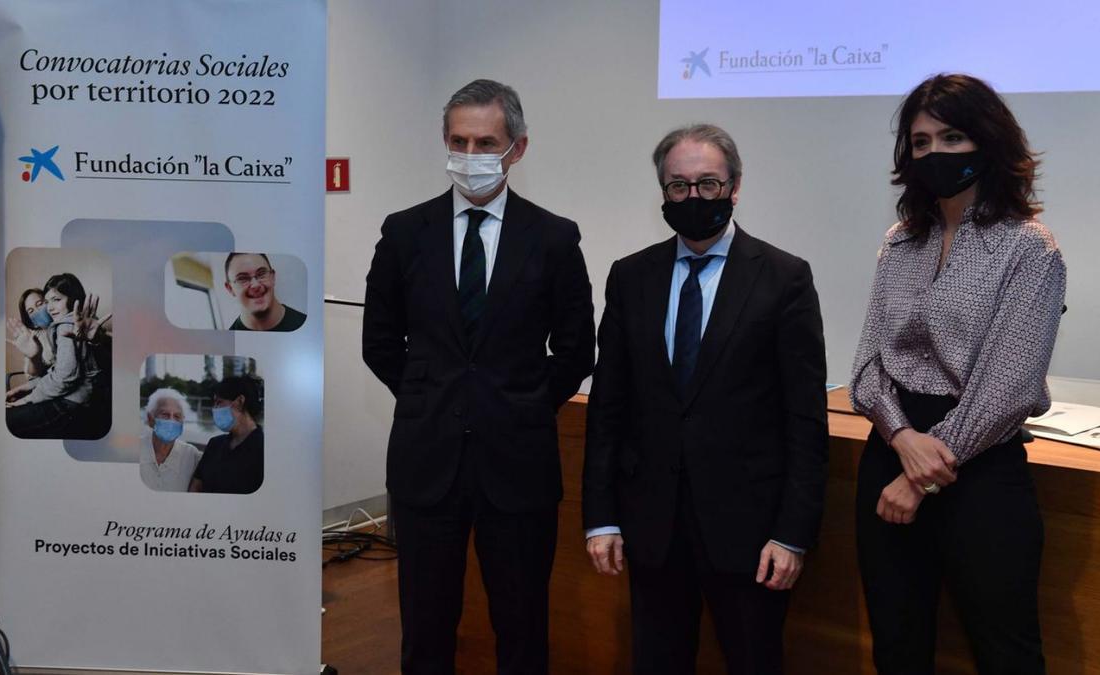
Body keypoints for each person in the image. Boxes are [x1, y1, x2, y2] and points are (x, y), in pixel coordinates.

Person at [362, 78, 594, 675]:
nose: (471, 156)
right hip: (426, 461)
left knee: (521, 628)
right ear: (444, 141)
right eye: (459, 141)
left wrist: (520, 405)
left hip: (517, 466)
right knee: (426, 626)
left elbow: (576, 350)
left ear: (517, 148)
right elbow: (380, 343)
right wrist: (429, 395)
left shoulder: (553, 237)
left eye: (485, 142)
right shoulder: (404, 232)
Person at [582, 123, 828, 674]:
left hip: (750, 535)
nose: (694, 197)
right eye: (679, 186)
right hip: (652, 529)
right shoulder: (630, 276)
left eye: (708, 184)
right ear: (663, 192)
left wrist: (792, 534)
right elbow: (610, 407)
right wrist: (600, 518)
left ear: (735, 188)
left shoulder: (783, 278)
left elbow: (804, 420)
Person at [849, 73, 1066, 674]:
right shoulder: (901, 241)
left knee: (1007, 654)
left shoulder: (1029, 247)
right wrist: (900, 438)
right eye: (920, 143)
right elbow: (867, 367)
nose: (935, 154)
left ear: (987, 142)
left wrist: (921, 476)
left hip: (980, 469)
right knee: (897, 648)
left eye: (952, 137)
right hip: (891, 450)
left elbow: (1011, 389)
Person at [5, 273, 111, 439]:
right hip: (63, 394)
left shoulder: (67, 325)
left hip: (73, 402)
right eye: (31, 311)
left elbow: (65, 376)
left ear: (72, 300)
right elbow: (57, 372)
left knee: (9, 421)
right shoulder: (39, 335)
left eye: (42, 303)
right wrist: (28, 379)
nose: (48, 308)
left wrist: (27, 399)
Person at [189, 375, 264, 494]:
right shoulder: (215, 444)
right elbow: (196, 486)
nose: (215, 409)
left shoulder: (263, 449)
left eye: (219, 402)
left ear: (240, 401)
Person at [224, 252, 307, 331]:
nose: (255, 285)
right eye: (242, 278)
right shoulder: (229, 342)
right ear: (230, 288)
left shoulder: (306, 326)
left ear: (273, 277)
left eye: (261, 274)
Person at [139, 388, 202, 492]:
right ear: (151, 419)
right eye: (165, 415)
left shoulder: (192, 455)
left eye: (177, 416)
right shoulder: (133, 449)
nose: (171, 421)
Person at [7, 288, 56, 379]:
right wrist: (34, 358)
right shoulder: (32, 338)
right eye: (31, 311)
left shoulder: (67, 323)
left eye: (40, 304)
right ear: (32, 321)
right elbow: (32, 374)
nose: (37, 311)